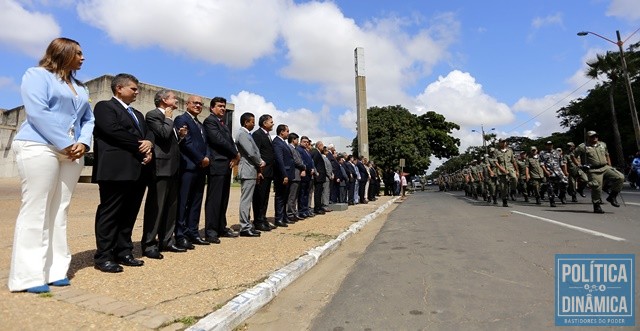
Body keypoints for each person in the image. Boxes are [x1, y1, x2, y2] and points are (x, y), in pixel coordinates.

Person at [8, 37, 95, 293]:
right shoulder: (36, 75)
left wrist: (83, 143)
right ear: (63, 52)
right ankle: (27, 276)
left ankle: (56, 270)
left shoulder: (81, 87)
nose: (83, 57)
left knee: (60, 210)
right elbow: (37, 112)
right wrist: (65, 142)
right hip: (39, 145)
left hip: (71, 152)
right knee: (37, 208)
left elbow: (88, 119)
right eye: (78, 53)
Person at [93, 73, 154, 273]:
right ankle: (104, 256)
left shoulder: (138, 114)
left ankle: (124, 251)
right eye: (133, 89)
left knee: (129, 213)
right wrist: (140, 146)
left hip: (137, 170)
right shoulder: (105, 107)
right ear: (119, 88)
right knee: (110, 213)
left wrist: (149, 146)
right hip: (115, 170)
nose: (137, 92)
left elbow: (147, 135)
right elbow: (113, 131)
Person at [141, 89, 187, 259]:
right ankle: (149, 244)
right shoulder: (153, 115)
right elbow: (163, 133)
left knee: (171, 207)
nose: (176, 100)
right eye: (173, 97)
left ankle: (167, 241)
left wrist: (180, 136)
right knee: (157, 207)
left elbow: (169, 142)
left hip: (174, 168)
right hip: (160, 168)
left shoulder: (170, 119)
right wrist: (168, 118)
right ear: (163, 100)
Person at [173, 95, 210, 249]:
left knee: (196, 201)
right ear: (187, 104)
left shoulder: (201, 125)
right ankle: (180, 234)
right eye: (195, 103)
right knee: (183, 202)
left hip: (201, 168)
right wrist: (200, 158)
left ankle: (193, 232)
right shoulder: (181, 120)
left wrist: (207, 156)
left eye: (200, 104)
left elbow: (206, 144)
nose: (198, 106)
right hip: (188, 166)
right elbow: (186, 143)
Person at [203, 97, 240, 243]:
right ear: (212, 108)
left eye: (224, 106)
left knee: (224, 198)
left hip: (226, 165)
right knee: (214, 199)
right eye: (219, 106)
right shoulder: (210, 121)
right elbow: (218, 140)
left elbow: (229, 141)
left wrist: (234, 156)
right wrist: (235, 154)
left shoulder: (223, 125)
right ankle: (211, 231)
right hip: (216, 164)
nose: (223, 109)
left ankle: (221, 227)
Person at [571, 131, 625, 214]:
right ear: (588, 137)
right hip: (594, 170)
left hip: (605, 167)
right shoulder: (583, 146)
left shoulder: (603, 144)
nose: (595, 137)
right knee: (597, 187)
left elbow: (607, 155)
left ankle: (612, 196)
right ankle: (597, 205)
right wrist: (579, 165)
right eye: (592, 136)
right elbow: (573, 155)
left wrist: (610, 165)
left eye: (596, 136)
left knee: (620, 177)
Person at [235, 112, 265, 237]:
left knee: (247, 199)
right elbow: (251, 152)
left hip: (250, 169)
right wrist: (260, 162)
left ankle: (247, 224)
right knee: (246, 200)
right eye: (252, 122)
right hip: (247, 169)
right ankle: (244, 226)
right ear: (246, 122)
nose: (253, 124)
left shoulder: (247, 134)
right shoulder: (242, 134)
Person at [252, 114, 276, 231]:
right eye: (271, 122)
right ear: (264, 123)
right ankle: (258, 221)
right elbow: (256, 153)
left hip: (269, 171)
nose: (273, 124)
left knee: (265, 197)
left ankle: (263, 218)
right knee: (259, 197)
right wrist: (258, 170)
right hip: (262, 171)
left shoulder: (268, 135)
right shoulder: (257, 134)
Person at [272, 124, 293, 227]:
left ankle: (284, 216)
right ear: (282, 132)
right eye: (287, 131)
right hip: (281, 174)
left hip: (287, 173)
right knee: (280, 197)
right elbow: (279, 160)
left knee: (285, 197)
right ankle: (278, 218)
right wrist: (284, 174)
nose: (288, 133)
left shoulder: (282, 142)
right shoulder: (277, 142)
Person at [286, 132, 306, 221]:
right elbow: (296, 161)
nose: (298, 141)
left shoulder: (295, 149)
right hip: (294, 175)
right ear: (293, 140)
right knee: (292, 196)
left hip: (297, 175)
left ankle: (294, 212)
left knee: (294, 196)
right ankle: (290, 213)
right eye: (297, 139)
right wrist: (304, 166)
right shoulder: (290, 148)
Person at [493, 138, 518, 207]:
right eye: (502, 142)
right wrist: (502, 169)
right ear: (499, 143)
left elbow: (513, 161)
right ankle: (504, 201)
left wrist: (517, 170)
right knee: (503, 187)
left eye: (504, 142)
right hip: (501, 170)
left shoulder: (510, 151)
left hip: (510, 168)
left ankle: (513, 191)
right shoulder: (496, 151)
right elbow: (496, 162)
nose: (503, 143)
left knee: (514, 178)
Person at [296, 136, 315, 218]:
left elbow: (310, 162)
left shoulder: (307, 151)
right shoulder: (299, 150)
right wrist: (307, 168)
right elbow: (302, 161)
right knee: (302, 193)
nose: (306, 143)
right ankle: (301, 211)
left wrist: (312, 169)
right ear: (300, 142)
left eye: (307, 142)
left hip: (309, 174)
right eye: (304, 142)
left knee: (306, 193)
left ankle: (305, 209)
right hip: (304, 173)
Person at [311, 141, 327, 214]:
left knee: (320, 192)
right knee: (317, 192)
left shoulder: (319, 153)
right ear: (318, 146)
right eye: (322, 146)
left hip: (321, 176)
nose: (323, 148)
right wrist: (316, 173)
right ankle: (317, 208)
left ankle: (319, 206)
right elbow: (313, 163)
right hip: (318, 176)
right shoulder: (315, 152)